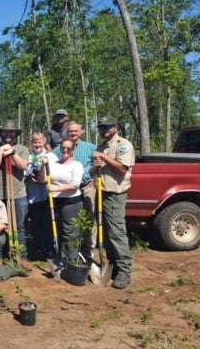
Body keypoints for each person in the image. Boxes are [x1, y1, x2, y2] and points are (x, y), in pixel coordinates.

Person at [90, 114, 135, 289]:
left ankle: (124, 272)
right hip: (101, 191)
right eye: (101, 127)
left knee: (116, 231)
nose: (105, 130)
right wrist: (96, 165)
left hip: (115, 193)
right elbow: (95, 170)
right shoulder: (101, 146)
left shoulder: (123, 145)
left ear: (115, 127)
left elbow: (123, 168)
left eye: (108, 127)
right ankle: (112, 265)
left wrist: (104, 157)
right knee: (106, 233)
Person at [0, 119, 31, 268]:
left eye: (11, 132)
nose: (8, 134)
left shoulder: (22, 148)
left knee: (19, 226)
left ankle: (21, 256)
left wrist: (13, 153)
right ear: (1, 133)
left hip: (18, 194)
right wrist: (1, 151)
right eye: (5, 132)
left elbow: (23, 166)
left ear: (15, 134)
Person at [54, 122, 97, 259]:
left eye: (76, 131)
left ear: (81, 132)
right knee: (69, 223)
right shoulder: (58, 149)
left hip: (86, 186)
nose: (73, 133)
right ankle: (68, 252)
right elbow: (53, 163)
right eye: (70, 131)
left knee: (88, 219)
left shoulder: (90, 147)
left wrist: (96, 175)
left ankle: (88, 250)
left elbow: (98, 162)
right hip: (65, 192)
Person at [41, 139, 84, 262]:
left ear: (73, 150)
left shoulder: (76, 165)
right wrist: (43, 166)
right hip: (55, 201)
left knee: (70, 231)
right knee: (58, 230)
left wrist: (56, 188)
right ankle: (61, 257)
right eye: (63, 148)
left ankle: (72, 259)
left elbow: (75, 185)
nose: (65, 150)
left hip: (71, 201)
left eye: (68, 148)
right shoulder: (53, 164)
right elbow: (42, 179)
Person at [25, 133, 58, 260]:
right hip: (33, 195)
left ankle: (49, 249)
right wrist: (30, 176)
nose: (37, 145)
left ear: (44, 142)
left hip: (46, 194)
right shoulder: (28, 156)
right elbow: (25, 170)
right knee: (35, 223)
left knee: (47, 223)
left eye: (39, 142)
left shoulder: (51, 156)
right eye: (35, 142)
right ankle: (38, 249)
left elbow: (55, 173)